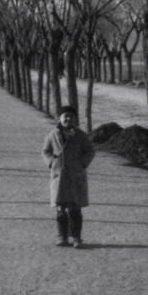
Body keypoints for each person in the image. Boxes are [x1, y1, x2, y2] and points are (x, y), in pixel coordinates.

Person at [42, 105, 96, 248]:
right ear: (59, 118)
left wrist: (82, 164)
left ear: (75, 119)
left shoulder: (81, 135)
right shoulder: (53, 134)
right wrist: (52, 163)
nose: (68, 118)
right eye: (65, 116)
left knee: (75, 208)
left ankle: (77, 238)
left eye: (71, 116)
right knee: (60, 208)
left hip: (76, 176)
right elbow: (45, 151)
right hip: (58, 176)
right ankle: (62, 237)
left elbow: (90, 151)